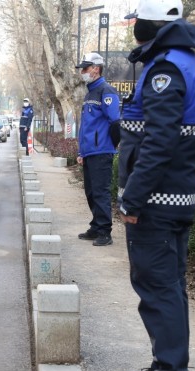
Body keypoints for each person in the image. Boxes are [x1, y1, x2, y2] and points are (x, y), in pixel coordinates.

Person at [117, 0, 195, 371]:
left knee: (157, 289)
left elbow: (158, 142)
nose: (133, 27)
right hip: (177, 197)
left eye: (137, 20)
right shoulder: (189, 62)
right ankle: (165, 365)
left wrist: (133, 199)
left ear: (154, 23)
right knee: (170, 287)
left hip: (156, 201)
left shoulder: (165, 70)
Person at [75, 52, 121, 247]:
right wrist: (81, 151)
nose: (83, 72)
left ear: (96, 68)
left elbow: (116, 122)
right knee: (91, 192)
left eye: (85, 68)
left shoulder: (106, 90)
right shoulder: (90, 93)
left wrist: (110, 145)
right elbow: (86, 125)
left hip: (101, 152)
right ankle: (96, 226)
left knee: (100, 192)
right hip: (89, 152)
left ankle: (105, 231)